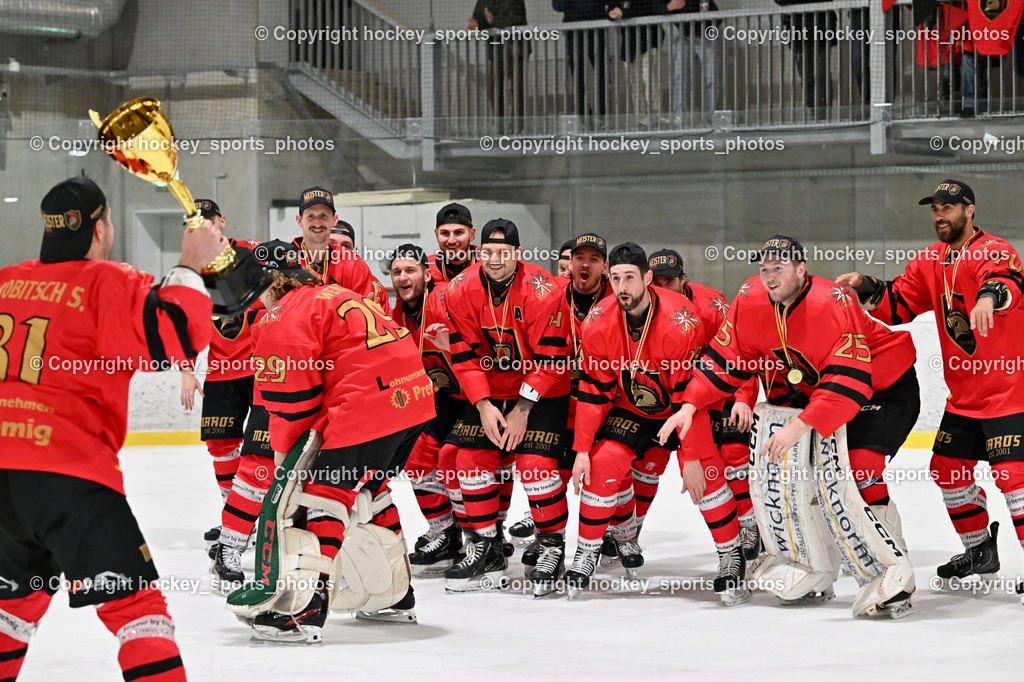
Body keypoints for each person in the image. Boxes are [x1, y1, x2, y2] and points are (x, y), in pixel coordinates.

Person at [0, 176, 229, 681]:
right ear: (101, 227)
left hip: (4, 478)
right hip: (70, 474)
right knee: (137, 610)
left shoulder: (6, 280)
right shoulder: (104, 281)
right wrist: (190, 263)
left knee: (13, 607)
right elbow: (171, 338)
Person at [662, 235, 920, 613]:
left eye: (778, 268)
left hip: (881, 386)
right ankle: (811, 564)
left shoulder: (832, 302)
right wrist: (690, 404)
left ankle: (891, 571)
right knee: (786, 472)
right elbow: (726, 358)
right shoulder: (750, 299)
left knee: (859, 470)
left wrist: (799, 428)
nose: (769, 276)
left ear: (801, 269)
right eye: (764, 268)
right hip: (816, 389)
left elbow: (849, 379)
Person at [838, 180, 1024, 593]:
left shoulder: (993, 249)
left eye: (949, 207)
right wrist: (866, 285)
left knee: (1013, 476)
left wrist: (989, 299)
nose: (940, 215)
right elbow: (900, 303)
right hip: (965, 397)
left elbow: (1007, 281)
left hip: (1011, 391)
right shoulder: (929, 260)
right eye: (935, 208)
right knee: (946, 470)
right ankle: (979, 550)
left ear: (970, 211)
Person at [243, 258, 435, 640]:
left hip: (370, 407)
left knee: (322, 496)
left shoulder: (284, 314)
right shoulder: (334, 294)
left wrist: (285, 462)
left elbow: (292, 403)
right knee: (369, 489)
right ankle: (395, 598)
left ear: (271, 284)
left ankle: (306, 607)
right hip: (414, 400)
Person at [570, 243, 746, 603]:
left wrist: (693, 457)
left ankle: (732, 554)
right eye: (615, 278)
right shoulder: (598, 321)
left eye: (630, 278)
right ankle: (586, 550)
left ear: (648, 279)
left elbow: (688, 397)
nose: (622, 287)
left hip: (682, 409)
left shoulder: (681, 321)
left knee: (708, 475)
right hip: (632, 407)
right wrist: (582, 450)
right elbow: (592, 391)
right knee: (603, 462)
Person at [443, 218, 571, 595]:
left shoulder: (545, 290)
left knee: (534, 466)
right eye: (488, 252)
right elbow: (464, 354)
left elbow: (552, 358)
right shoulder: (460, 289)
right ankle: (487, 546)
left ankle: (551, 544)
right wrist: (482, 404)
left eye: (503, 252)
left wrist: (522, 409)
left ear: (518, 253)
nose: (494, 260)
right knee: (468, 460)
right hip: (490, 389)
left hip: (542, 390)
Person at [647, 249, 760, 558]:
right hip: (677, 401)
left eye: (668, 281)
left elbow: (742, 353)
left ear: (684, 279)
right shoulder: (644, 309)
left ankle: (751, 527)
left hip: (720, 391)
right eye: (655, 282)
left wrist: (744, 399)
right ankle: (623, 530)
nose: (660, 288)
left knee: (735, 453)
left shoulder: (712, 306)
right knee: (643, 460)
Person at [516, 232, 612, 570]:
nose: (585, 264)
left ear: (604, 266)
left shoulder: (618, 300)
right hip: (554, 392)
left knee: (609, 467)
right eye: (579, 258)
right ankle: (550, 543)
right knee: (533, 465)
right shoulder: (547, 297)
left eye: (594, 259)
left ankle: (616, 534)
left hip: (603, 397)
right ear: (569, 263)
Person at [177, 199, 263, 555]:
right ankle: (236, 516)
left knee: (264, 449)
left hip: (261, 370)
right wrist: (186, 369)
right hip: (222, 371)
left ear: (222, 222)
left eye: (208, 223)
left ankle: (261, 517)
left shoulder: (253, 255)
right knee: (221, 447)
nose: (203, 231)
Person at [387, 244, 470, 574]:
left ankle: (479, 536)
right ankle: (445, 533)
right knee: (416, 454)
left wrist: (453, 348)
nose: (403, 277)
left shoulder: (447, 303)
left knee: (454, 459)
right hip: (441, 398)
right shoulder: (394, 317)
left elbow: (480, 349)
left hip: (477, 398)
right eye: (397, 272)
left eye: (410, 270)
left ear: (427, 273)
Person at [285, 186, 389, 312]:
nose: (317, 223)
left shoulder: (353, 264)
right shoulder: (282, 261)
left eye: (324, 216)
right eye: (311, 216)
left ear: (334, 220)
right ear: (299, 220)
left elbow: (369, 317)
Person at [469, 1, 530, 131]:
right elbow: (479, 19)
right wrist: (476, 24)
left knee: (517, 89)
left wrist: (492, 21)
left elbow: (514, 21)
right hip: (497, 50)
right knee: (494, 88)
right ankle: (499, 125)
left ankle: (517, 126)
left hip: (516, 48)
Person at [776, 0, 836, 120]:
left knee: (820, 72)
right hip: (797, 28)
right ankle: (813, 111)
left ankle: (823, 114)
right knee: (806, 74)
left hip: (821, 25)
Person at [553, 0, 608, 128]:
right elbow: (558, 5)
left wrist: (575, 5)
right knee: (577, 76)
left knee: (601, 73)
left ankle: (603, 116)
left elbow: (594, 5)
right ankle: (583, 117)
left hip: (596, 28)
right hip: (573, 31)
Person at [609, 0, 664, 123]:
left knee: (649, 78)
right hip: (629, 45)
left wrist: (623, 12)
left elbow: (647, 7)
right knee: (635, 83)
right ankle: (641, 116)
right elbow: (611, 7)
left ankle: (655, 114)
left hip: (649, 40)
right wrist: (611, 12)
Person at [667, 0, 721, 125]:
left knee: (711, 77)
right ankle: (679, 117)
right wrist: (669, 7)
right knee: (680, 76)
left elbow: (716, 15)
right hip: (685, 36)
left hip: (707, 34)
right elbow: (659, 7)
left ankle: (711, 118)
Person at [429, 202, 478, 286]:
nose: (451, 241)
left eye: (459, 232)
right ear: (437, 235)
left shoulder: (487, 263)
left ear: (471, 234)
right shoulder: (425, 268)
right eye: (445, 233)